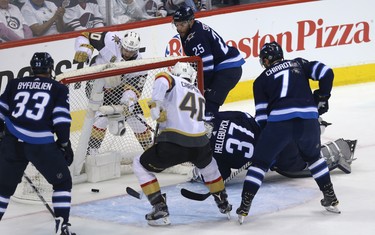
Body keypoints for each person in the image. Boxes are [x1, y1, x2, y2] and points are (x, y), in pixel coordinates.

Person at [236, 41, 339, 224]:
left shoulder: (260, 81)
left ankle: (245, 205)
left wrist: (267, 146)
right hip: (308, 120)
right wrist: (323, 96)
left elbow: (261, 118)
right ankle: (329, 196)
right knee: (314, 158)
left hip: (279, 123)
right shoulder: (299, 63)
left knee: (259, 164)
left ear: (266, 60)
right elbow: (326, 72)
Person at [132, 62, 232, 226]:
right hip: (201, 144)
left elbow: (162, 78)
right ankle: (223, 202)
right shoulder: (199, 93)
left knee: (139, 163)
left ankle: (159, 206)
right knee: (209, 166)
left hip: (174, 143)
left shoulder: (172, 80)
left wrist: (156, 103)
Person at [0, 52, 75, 235]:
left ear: (32, 68)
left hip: (12, 142)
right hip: (40, 143)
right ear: (51, 69)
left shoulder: (15, 84)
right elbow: (61, 119)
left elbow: (1, 112)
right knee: (62, 182)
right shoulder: (58, 88)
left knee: (3, 188)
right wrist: (64, 144)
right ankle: (62, 226)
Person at [189, 111, 357, 182]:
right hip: (277, 134)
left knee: (305, 163)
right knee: (291, 132)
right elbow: (246, 116)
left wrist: (201, 172)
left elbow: (221, 175)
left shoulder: (210, 154)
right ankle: (314, 124)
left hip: (279, 160)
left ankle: (338, 151)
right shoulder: (218, 118)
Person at [74, 30, 153, 153]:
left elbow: (134, 89)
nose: (127, 53)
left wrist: (127, 103)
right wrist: (84, 50)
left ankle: (150, 151)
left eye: (131, 51)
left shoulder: (140, 65)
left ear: (137, 50)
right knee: (101, 119)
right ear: (121, 44)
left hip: (119, 90)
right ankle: (91, 152)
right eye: (125, 49)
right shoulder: (111, 39)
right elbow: (85, 35)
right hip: (96, 84)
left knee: (138, 120)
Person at [172, 6, 245, 115]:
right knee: (202, 103)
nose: (179, 28)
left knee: (208, 106)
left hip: (228, 69)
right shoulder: (192, 29)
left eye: (182, 24)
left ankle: (212, 129)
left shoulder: (196, 37)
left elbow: (207, 65)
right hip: (223, 68)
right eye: (176, 25)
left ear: (191, 21)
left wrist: (202, 87)